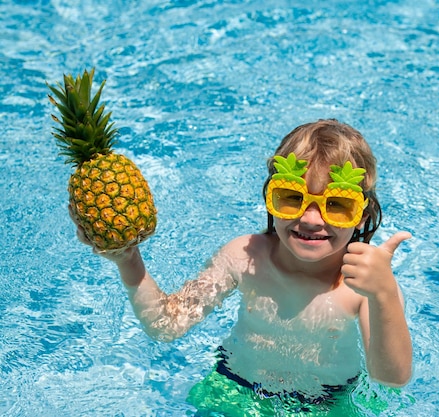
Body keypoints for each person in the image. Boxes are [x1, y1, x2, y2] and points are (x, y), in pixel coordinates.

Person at [71, 118, 412, 414]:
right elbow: (167, 325)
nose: (311, 219)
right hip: (234, 390)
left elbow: (391, 378)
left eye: (336, 205)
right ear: (271, 199)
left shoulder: (364, 285)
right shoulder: (244, 257)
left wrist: (383, 293)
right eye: (292, 197)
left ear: (362, 216)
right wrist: (127, 259)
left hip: (327, 407)